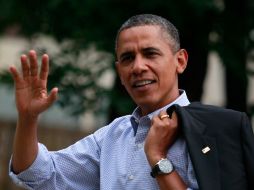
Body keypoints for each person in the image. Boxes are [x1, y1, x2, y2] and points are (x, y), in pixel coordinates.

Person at [8, 14, 254, 190]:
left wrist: (157, 158)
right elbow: (39, 174)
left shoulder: (217, 129)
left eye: (150, 53)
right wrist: (28, 118)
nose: (138, 67)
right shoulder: (112, 137)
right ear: (119, 72)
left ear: (180, 61)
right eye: (127, 58)